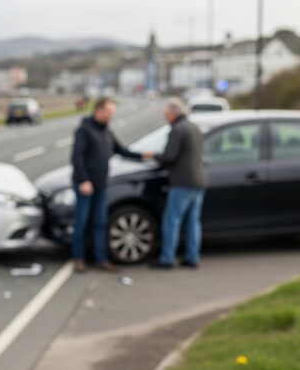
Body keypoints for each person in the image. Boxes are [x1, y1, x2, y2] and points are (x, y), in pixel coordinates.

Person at [70, 97, 143, 272]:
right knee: (82, 222)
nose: (111, 116)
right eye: (109, 112)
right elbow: (77, 157)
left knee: (100, 222)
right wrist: (83, 180)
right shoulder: (84, 130)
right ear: (99, 110)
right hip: (86, 186)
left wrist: (143, 155)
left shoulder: (107, 132)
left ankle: (101, 259)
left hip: (101, 185)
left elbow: (121, 150)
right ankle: (78, 258)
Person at [146, 98, 206, 269]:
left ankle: (167, 258)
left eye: (166, 114)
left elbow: (169, 156)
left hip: (182, 181)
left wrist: (153, 156)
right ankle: (192, 257)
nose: (166, 117)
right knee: (193, 221)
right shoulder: (194, 127)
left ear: (173, 113)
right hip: (199, 180)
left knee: (172, 219)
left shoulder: (177, 130)